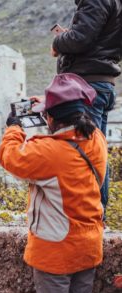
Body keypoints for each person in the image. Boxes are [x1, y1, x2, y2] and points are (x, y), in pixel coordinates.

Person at [0, 73, 107, 293]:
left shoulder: (50, 153)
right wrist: (50, 104)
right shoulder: (96, 139)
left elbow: (9, 156)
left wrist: (13, 128)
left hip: (57, 251)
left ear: (50, 118)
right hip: (89, 246)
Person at [51, 0, 122, 216]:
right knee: (96, 151)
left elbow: (80, 39)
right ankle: (97, 213)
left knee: (82, 153)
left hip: (86, 85)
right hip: (102, 83)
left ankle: (88, 216)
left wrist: (58, 42)